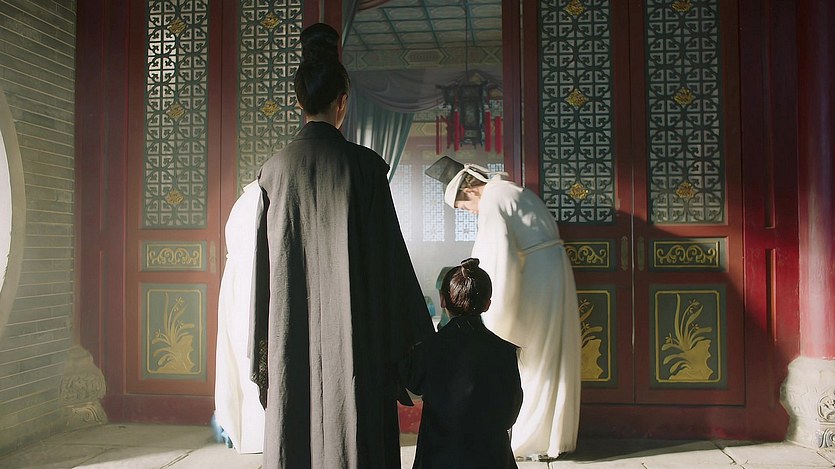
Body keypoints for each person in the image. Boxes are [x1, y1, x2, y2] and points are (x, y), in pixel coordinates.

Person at [251, 23, 434, 468]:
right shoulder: (366, 169)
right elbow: (392, 269)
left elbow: (263, 277)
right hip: (358, 344)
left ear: (298, 102)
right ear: (343, 102)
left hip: (291, 336)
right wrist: (415, 348)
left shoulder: (273, 172)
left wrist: (264, 354)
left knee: (296, 432)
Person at [425, 156, 581, 459]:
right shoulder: (508, 190)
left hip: (537, 277)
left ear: (469, 190)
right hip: (550, 271)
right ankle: (549, 438)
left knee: (533, 358)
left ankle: (531, 440)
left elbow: (497, 255)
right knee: (549, 354)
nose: (469, 212)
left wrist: (488, 309)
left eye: (463, 207)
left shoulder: (493, 199)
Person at [401, 257, 522, 469]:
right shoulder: (504, 351)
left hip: (438, 457)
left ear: (443, 300)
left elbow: (412, 384)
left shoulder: (429, 348)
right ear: (487, 304)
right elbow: (509, 414)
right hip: (491, 458)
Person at [214, 180, 265, 454]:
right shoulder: (260, 200)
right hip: (254, 284)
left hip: (239, 286)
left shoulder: (244, 202)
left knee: (241, 360)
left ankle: (244, 429)